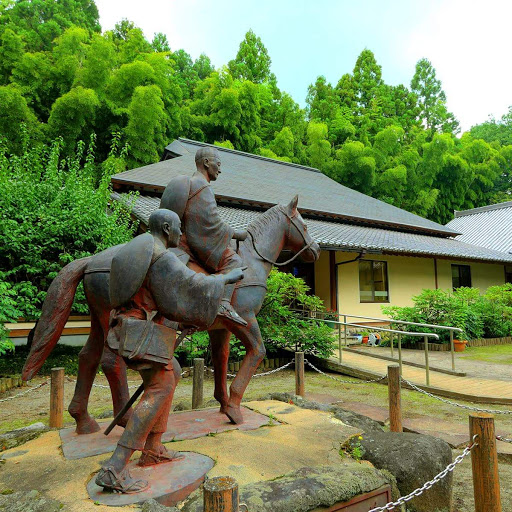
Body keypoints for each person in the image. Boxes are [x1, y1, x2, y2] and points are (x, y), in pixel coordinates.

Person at [95, 208, 244, 493]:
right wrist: (226, 278)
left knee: (172, 371)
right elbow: (192, 283)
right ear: (166, 228)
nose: (181, 234)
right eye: (178, 229)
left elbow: (159, 298)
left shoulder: (139, 248)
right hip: (140, 333)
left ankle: (153, 448)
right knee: (161, 385)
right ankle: (115, 466)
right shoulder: (161, 255)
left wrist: (181, 320)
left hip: (126, 328)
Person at [160, 146, 248, 327]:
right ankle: (223, 304)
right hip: (189, 245)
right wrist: (235, 233)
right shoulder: (201, 186)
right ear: (207, 163)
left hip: (183, 239)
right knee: (234, 261)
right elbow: (210, 224)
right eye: (218, 164)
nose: (220, 169)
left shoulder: (194, 184)